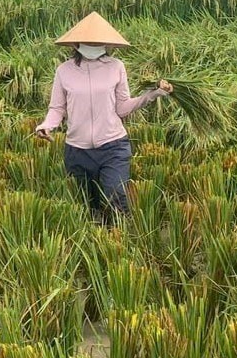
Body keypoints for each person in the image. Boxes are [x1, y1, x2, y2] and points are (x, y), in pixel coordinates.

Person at [34, 12, 172, 223]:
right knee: (85, 206)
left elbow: (123, 108)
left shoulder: (116, 67)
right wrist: (46, 125)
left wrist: (152, 94)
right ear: (77, 43)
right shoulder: (64, 71)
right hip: (77, 151)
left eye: (98, 42)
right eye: (89, 41)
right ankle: (96, 239)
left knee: (116, 195)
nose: (93, 45)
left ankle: (122, 237)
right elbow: (57, 108)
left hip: (112, 146)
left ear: (106, 44)